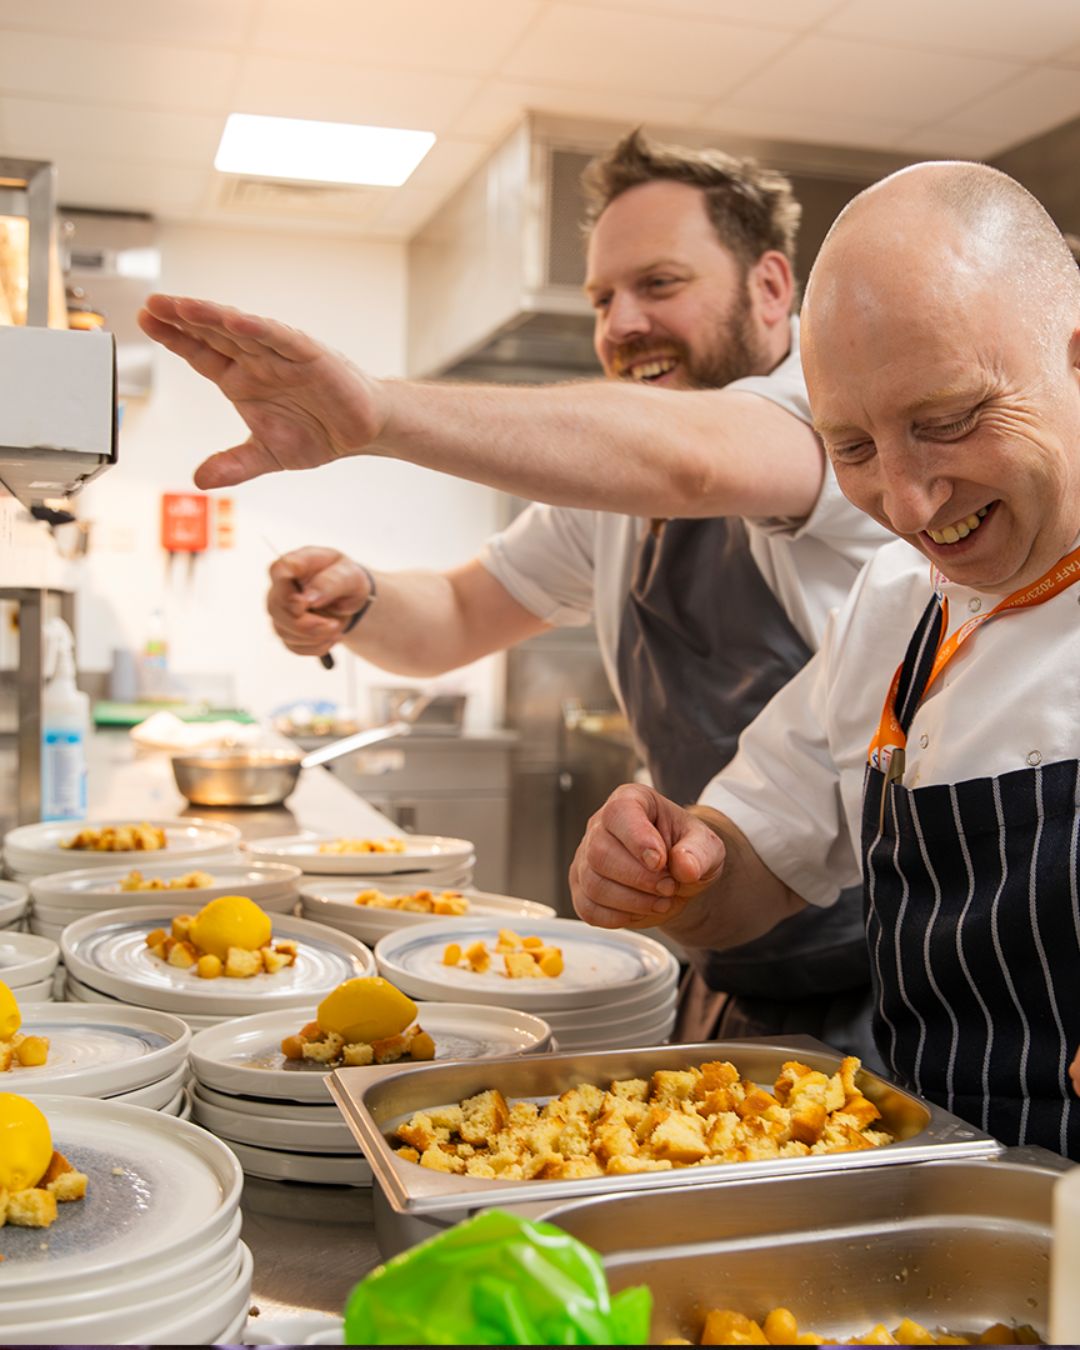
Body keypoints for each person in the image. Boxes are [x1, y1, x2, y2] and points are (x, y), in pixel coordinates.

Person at [137, 131, 889, 1054]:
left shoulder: (836, 417)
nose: (621, 325)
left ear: (772, 287)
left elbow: (692, 458)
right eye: (603, 298)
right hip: (727, 948)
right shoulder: (613, 502)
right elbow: (455, 617)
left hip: (887, 974)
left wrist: (375, 414)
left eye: (659, 285)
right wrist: (359, 597)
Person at [567, 159, 1080, 1159]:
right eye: (853, 447)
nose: (908, 501)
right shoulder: (899, 608)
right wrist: (674, 866)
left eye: (948, 422)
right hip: (942, 1211)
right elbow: (753, 858)